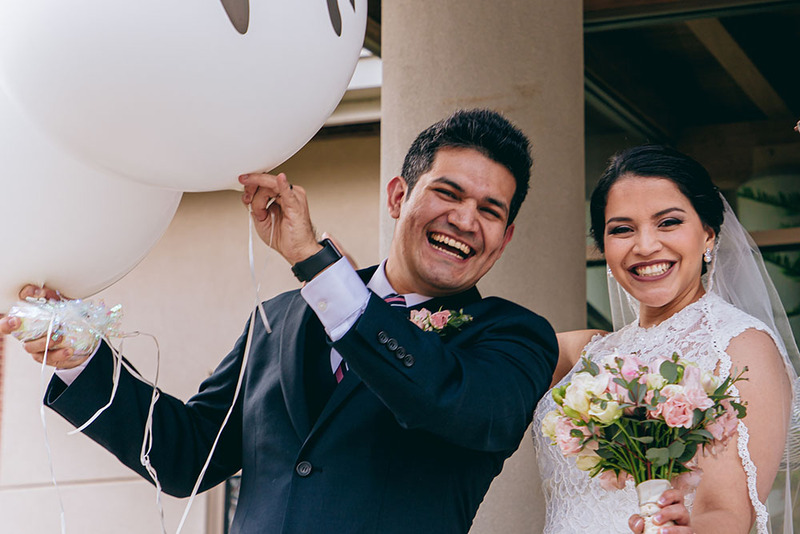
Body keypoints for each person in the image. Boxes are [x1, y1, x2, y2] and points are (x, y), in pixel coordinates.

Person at [0, 109, 558, 533]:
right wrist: (84, 362)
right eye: (448, 193)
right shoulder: (279, 318)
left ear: (505, 237)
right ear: (398, 196)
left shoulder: (515, 337)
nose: (464, 220)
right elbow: (186, 455)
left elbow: (451, 403)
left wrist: (315, 265)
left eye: (490, 211)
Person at [532, 145, 798, 533]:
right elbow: (491, 346)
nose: (645, 245)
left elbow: (727, 513)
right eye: (622, 229)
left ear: (708, 234)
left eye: (668, 222)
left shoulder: (739, 346)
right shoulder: (586, 353)